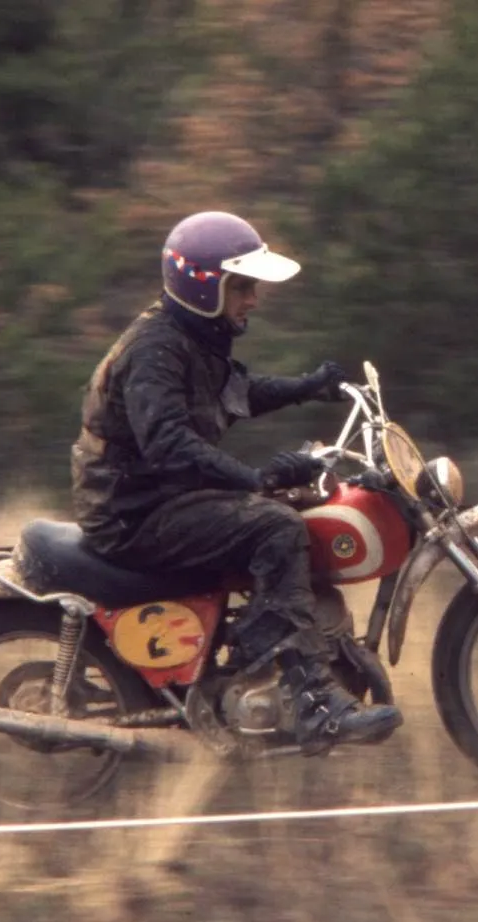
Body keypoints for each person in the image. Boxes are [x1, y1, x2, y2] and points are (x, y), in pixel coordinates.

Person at [70, 210, 403, 754]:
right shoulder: (154, 350)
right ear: (205, 286)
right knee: (276, 526)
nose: (253, 299)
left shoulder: (192, 337)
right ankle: (310, 700)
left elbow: (237, 392)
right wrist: (256, 479)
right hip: (132, 513)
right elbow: (169, 444)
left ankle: (281, 662)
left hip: (160, 499)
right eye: (242, 287)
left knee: (291, 509)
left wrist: (309, 387)